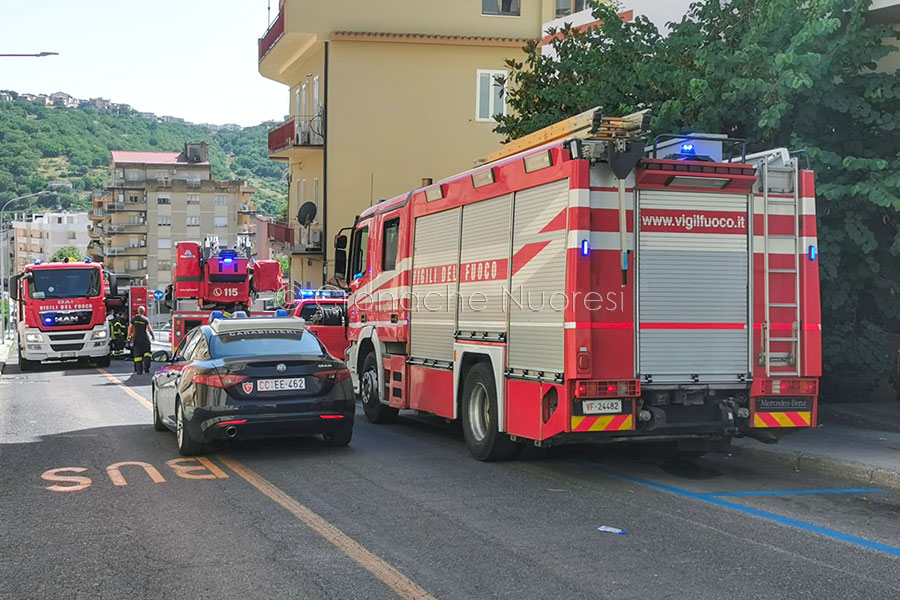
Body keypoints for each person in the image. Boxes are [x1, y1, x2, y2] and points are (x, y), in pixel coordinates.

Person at [127, 306, 154, 374]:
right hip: (145, 339)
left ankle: (139, 370)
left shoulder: (134, 319)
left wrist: (129, 335)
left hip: (136, 339)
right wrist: (152, 335)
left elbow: (130, 327)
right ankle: (146, 367)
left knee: (137, 356)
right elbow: (150, 329)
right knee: (147, 353)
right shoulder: (145, 319)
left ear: (138, 311)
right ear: (144, 312)